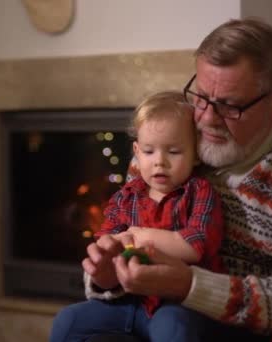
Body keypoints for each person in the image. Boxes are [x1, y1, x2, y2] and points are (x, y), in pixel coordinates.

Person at [51, 17, 272, 342]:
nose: (206, 119)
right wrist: (106, 276)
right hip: (144, 307)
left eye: (229, 106)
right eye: (201, 96)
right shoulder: (175, 139)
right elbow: (124, 227)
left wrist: (191, 285)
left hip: (233, 325)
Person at [49, 91, 225, 342]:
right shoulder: (126, 197)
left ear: (195, 153)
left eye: (174, 152)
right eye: (149, 151)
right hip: (130, 300)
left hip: (176, 303)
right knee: (68, 321)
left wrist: (138, 236)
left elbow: (196, 245)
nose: (159, 162)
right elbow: (106, 242)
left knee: (174, 329)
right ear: (137, 152)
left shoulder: (200, 192)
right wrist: (102, 267)